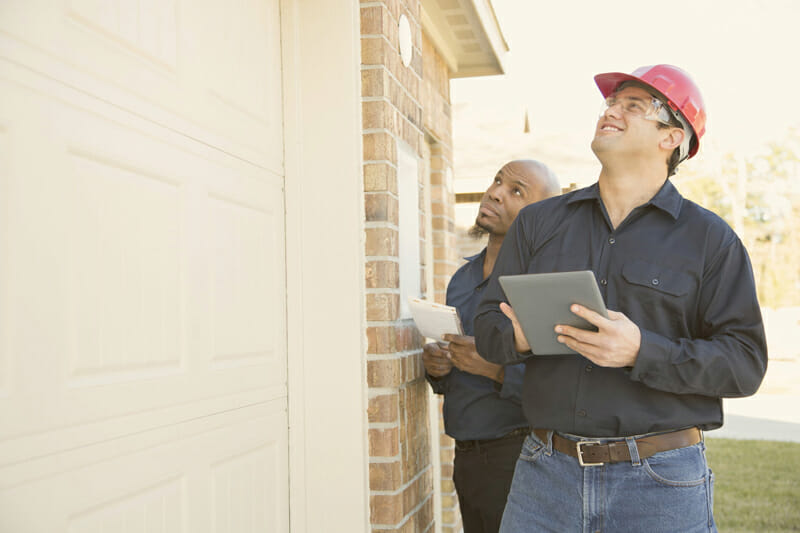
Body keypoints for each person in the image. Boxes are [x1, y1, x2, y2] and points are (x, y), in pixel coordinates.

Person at [473, 65, 768, 532]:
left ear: (672, 137)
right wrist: (521, 336)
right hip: (544, 479)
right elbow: (487, 328)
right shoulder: (538, 224)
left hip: (660, 484)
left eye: (633, 105)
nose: (611, 110)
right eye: (611, 103)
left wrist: (641, 350)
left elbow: (745, 363)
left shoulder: (711, 240)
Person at [423, 160, 560, 533]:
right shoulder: (462, 280)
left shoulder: (542, 283)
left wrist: (493, 368)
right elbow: (457, 371)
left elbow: (562, 380)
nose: (495, 192)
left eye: (517, 190)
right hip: (466, 458)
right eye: (498, 180)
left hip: (519, 458)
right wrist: (439, 368)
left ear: (542, 212)